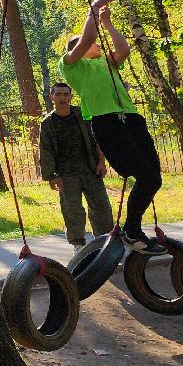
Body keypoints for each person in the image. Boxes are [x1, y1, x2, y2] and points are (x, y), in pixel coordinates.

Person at [60, 0, 162, 252]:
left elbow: (123, 49)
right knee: (143, 173)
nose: (95, 44)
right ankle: (132, 230)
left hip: (131, 120)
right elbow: (88, 37)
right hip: (107, 123)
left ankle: (132, 228)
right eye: (84, 44)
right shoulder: (72, 67)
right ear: (78, 50)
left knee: (153, 179)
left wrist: (107, 22)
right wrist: (94, 9)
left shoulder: (107, 62)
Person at [39, 82, 114, 249]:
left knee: (101, 207)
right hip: (66, 174)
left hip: (91, 169)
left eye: (66, 94)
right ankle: (78, 245)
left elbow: (97, 139)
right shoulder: (48, 123)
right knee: (72, 211)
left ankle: (105, 242)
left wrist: (101, 162)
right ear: (52, 97)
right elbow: (46, 151)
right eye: (58, 94)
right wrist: (51, 176)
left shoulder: (83, 115)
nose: (62, 98)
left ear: (71, 96)